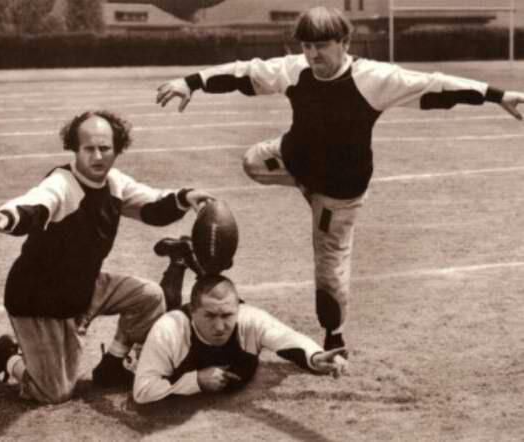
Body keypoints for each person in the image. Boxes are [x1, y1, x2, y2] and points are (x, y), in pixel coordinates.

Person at [155, 6, 524, 353]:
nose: (313, 55)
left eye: (322, 46)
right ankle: (305, 185)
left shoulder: (374, 79)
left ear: (345, 43)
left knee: (329, 271)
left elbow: (435, 85)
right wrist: (191, 82)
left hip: (338, 191)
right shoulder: (296, 69)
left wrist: (498, 96)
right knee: (253, 161)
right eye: (307, 46)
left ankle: (334, 335)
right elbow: (246, 72)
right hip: (292, 160)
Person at [0, 110, 214, 404]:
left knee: (150, 297)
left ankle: (112, 363)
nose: (97, 156)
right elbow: (36, 204)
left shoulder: (114, 183)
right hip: (37, 298)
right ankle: (8, 355)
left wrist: (185, 197)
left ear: (117, 149)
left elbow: (153, 206)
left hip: (84, 287)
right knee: (53, 393)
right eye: (89, 148)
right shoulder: (62, 184)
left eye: (105, 148)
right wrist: (7, 217)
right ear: (75, 149)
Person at [133, 254, 348, 404]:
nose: (219, 327)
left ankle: (192, 263)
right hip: (166, 329)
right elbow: (142, 391)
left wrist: (315, 357)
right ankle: (178, 262)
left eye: (227, 315)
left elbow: (286, 338)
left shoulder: (249, 318)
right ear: (192, 310)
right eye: (209, 316)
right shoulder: (169, 330)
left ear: (238, 308)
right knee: (166, 308)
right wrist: (195, 381)